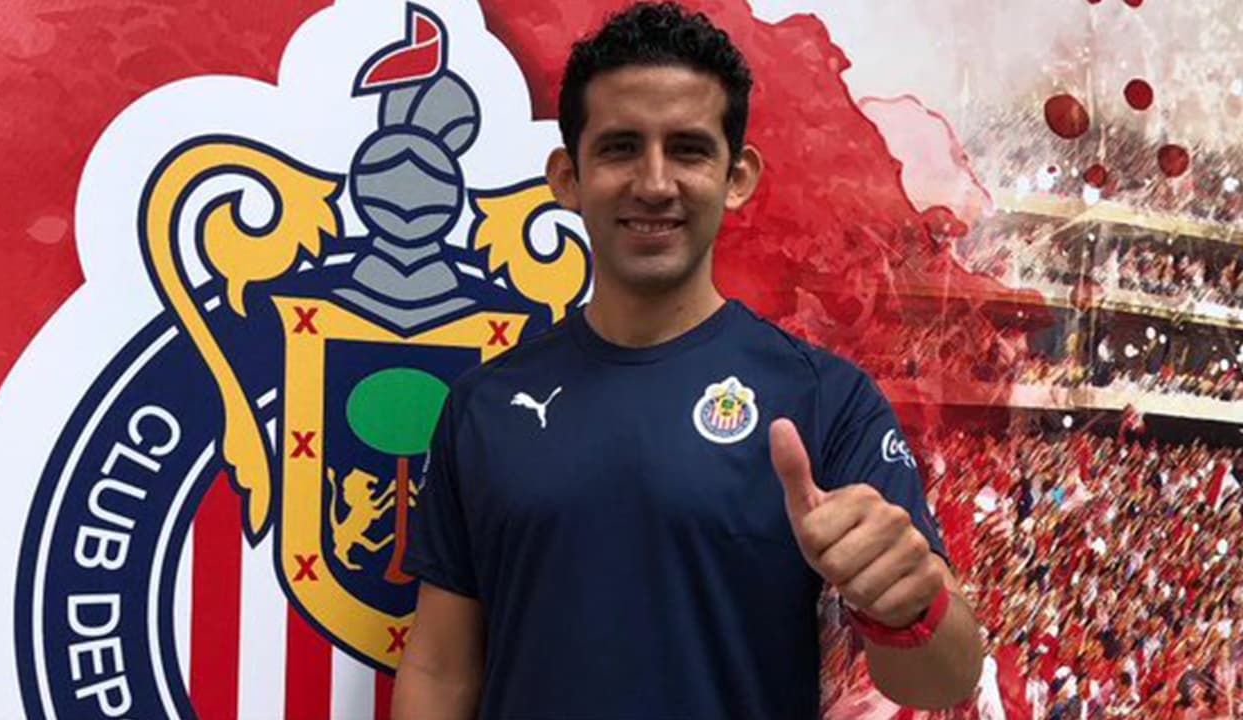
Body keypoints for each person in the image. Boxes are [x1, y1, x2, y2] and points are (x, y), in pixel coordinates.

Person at [392, 3, 983, 717]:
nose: (654, 182)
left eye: (689, 149)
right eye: (619, 148)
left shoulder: (826, 399)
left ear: (738, 176)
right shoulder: (484, 405)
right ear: (567, 177)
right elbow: (440, 669)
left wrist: (907, 604)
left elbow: (942, 680)